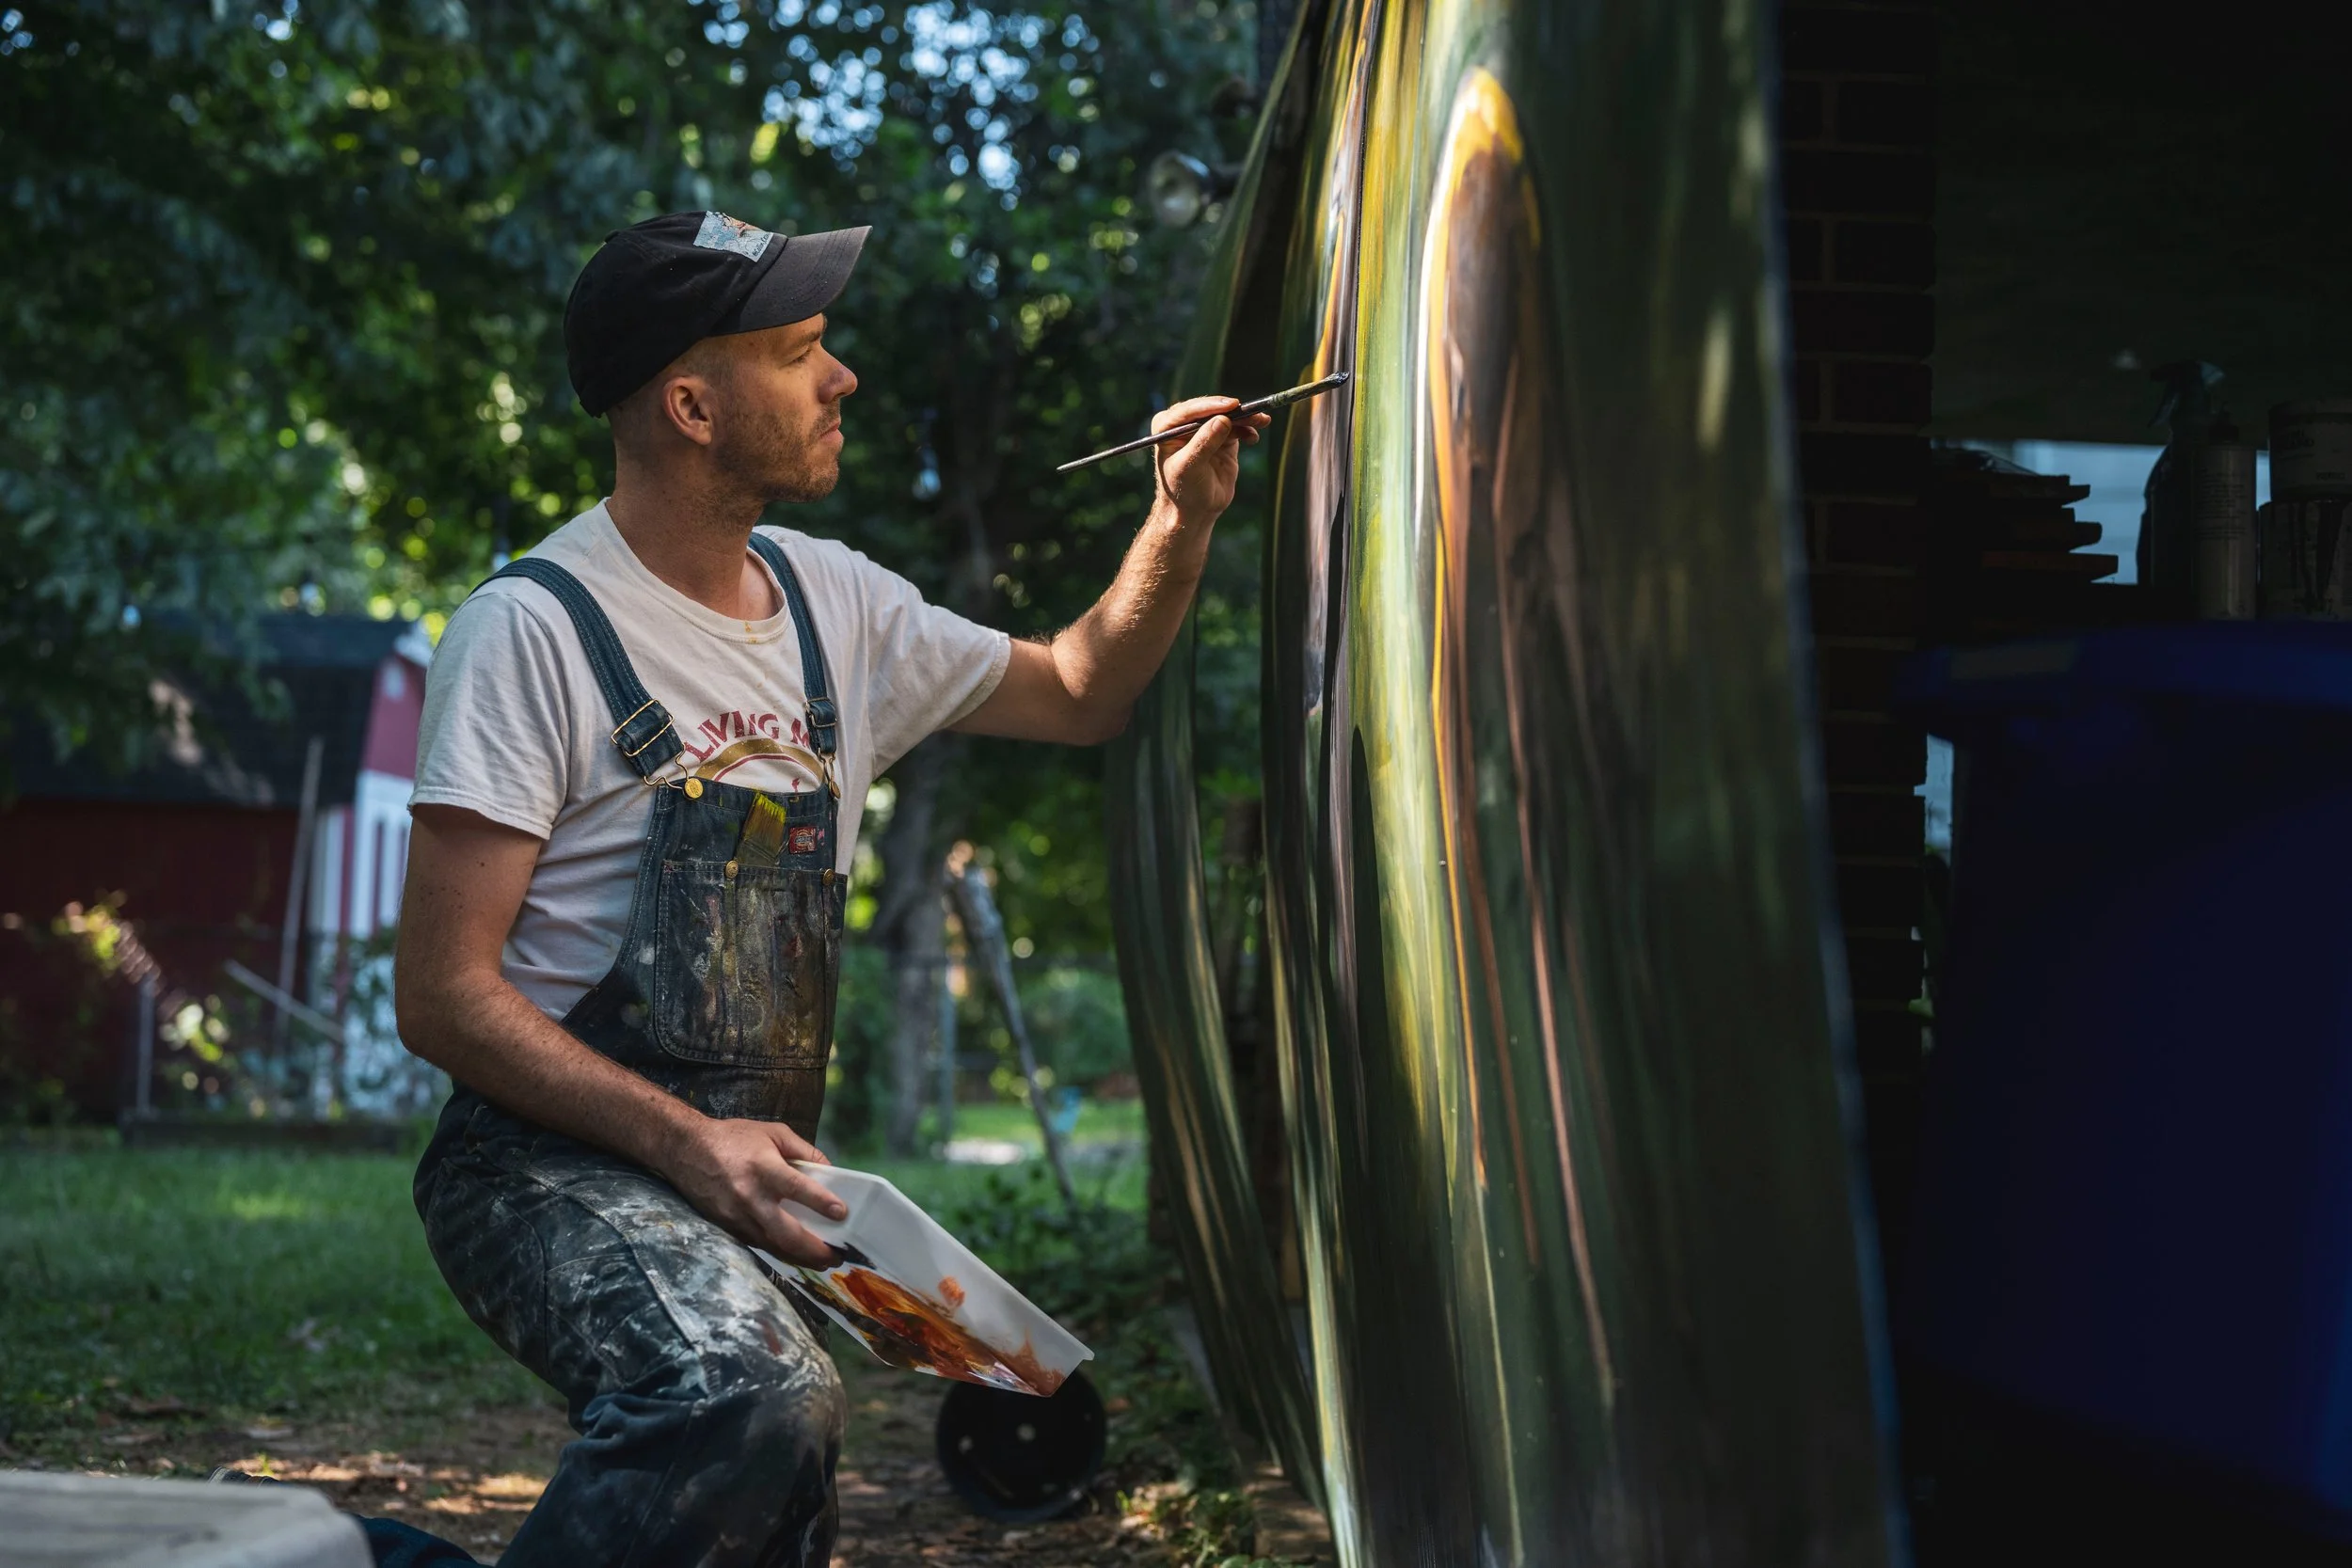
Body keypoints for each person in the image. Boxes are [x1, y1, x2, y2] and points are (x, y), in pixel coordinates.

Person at [393, 209, 1265, 1567]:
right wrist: (690, 1144)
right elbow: (443, 998)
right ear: (691, 404)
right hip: (540, 1166)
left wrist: (1180, 516)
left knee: (769, 1502)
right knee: (744, 1392)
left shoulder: (836, 606)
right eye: (800, 350)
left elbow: (1085, 691)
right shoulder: (530, 633)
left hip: (742, 1173)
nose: (842, 376)